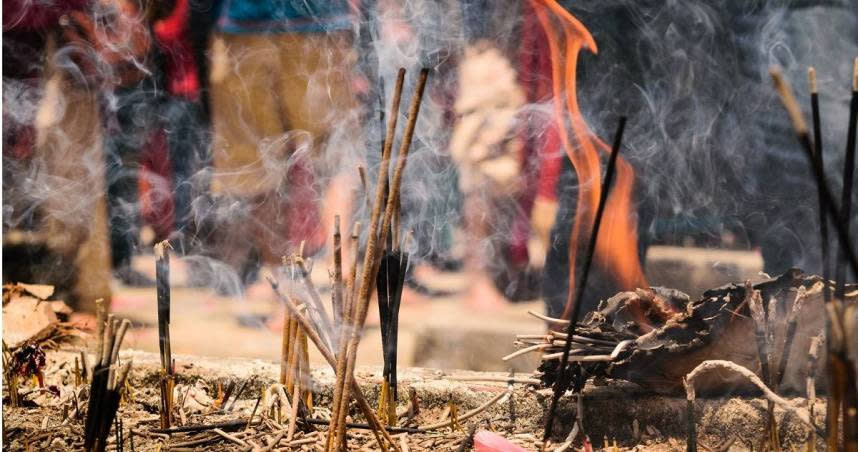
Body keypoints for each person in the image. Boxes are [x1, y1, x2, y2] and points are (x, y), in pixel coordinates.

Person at [206, 0, 359, 296]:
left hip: (317, 24)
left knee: (335, 153)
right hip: (246, 27)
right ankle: (282, 286)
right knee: (257, 164)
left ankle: (345, 279)